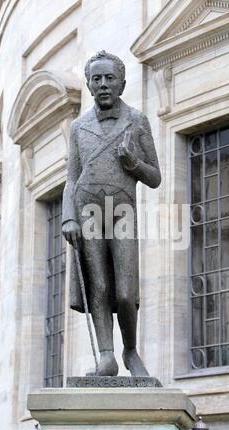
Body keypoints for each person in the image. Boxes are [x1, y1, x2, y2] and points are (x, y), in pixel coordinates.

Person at [62, 51, 161, 376]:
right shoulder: (78, 127)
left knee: (125, 291)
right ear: (89, 85)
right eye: (96, 79)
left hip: (122, 213)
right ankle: (107, 356)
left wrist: (132, 163)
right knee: (99, 287)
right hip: (87, 212)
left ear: (122, 82)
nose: (103, 84)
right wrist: (68, 217)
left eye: (109, 78)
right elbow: (72, 177)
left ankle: (130, 350)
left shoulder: (137, 121)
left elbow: (155, 177)